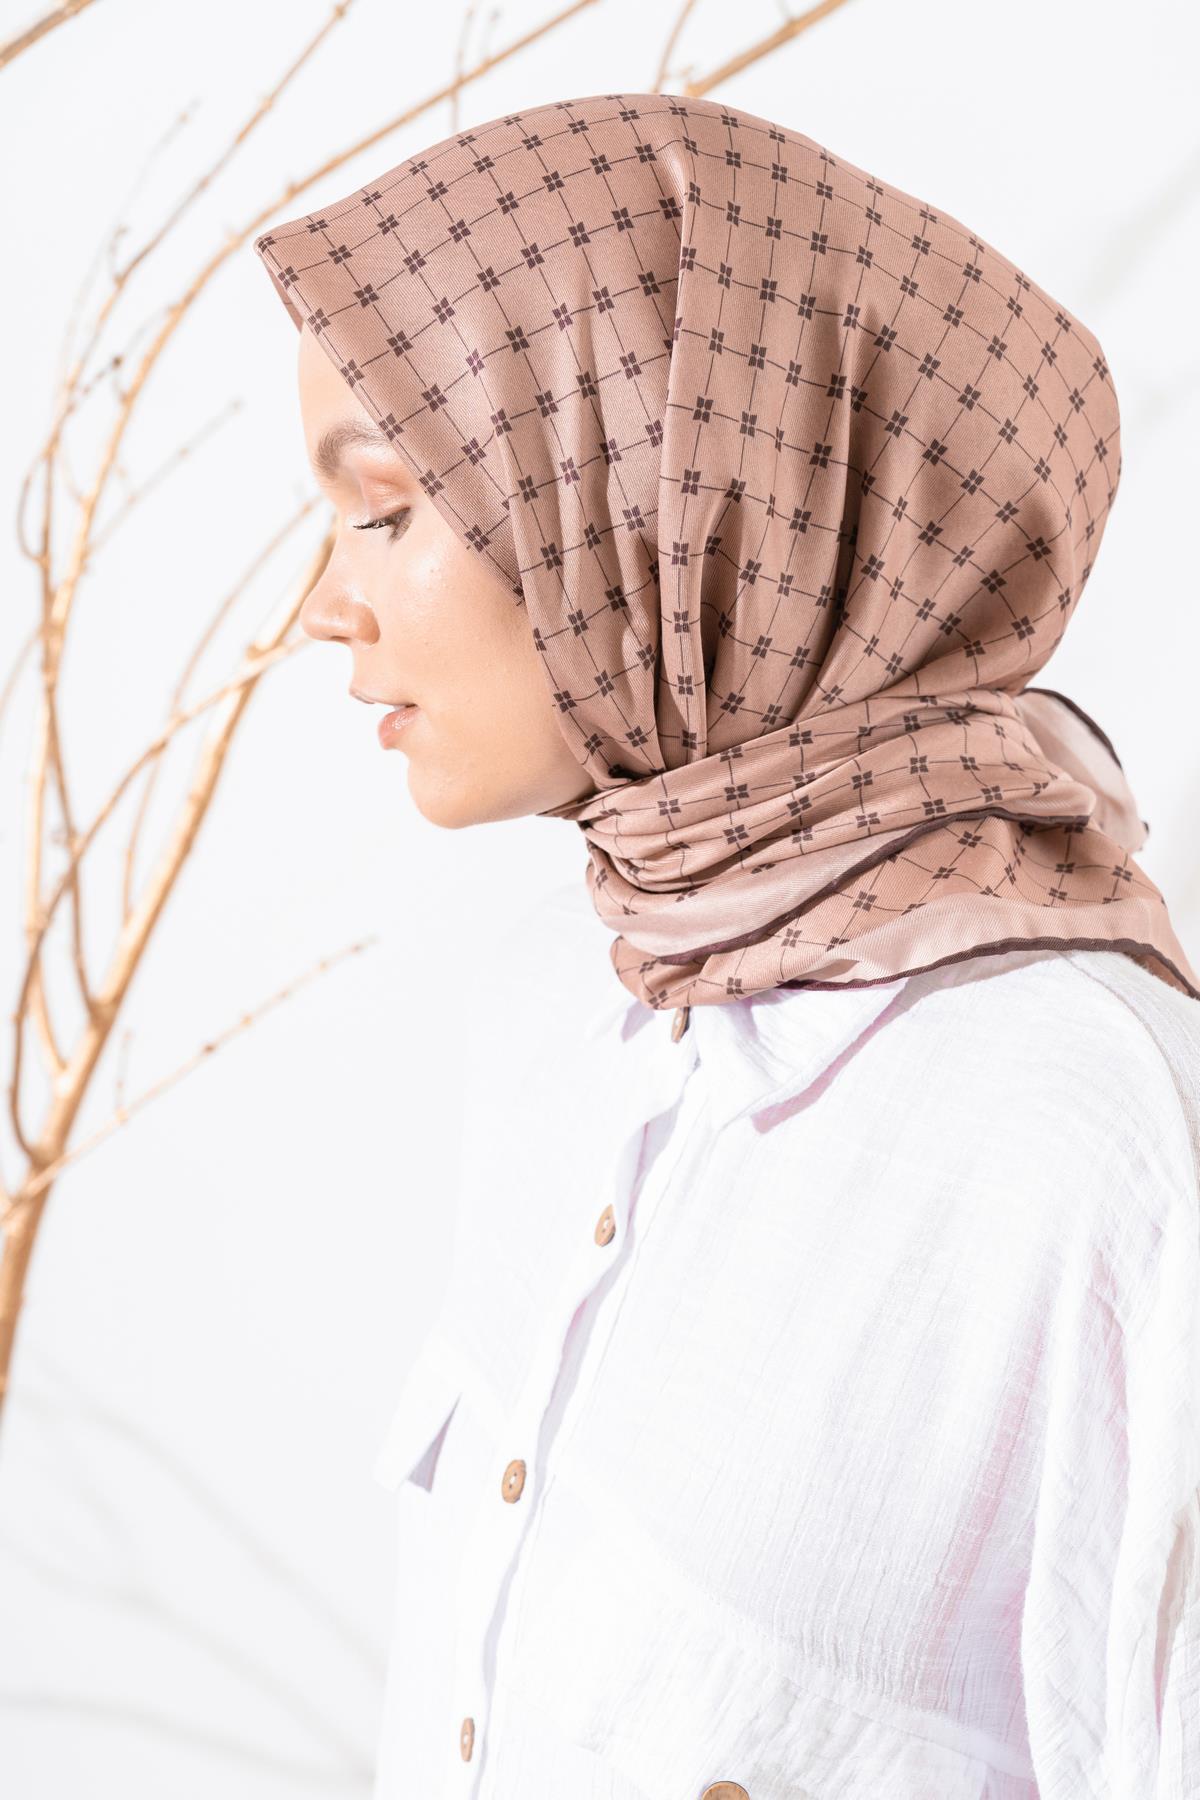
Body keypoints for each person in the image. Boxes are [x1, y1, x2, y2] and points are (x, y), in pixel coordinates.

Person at [255, 91, 1200, 1800]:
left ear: (668, 508)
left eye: (385, 508)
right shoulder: (558, 1002)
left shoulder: (1094, 1141)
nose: (323, 607)